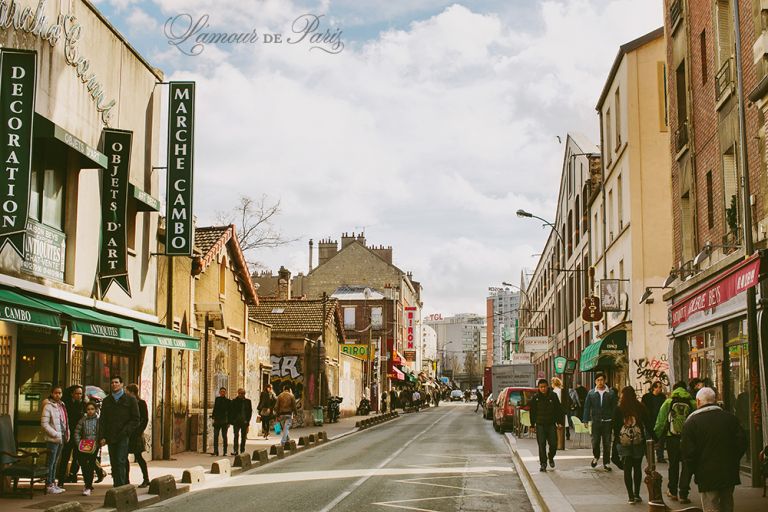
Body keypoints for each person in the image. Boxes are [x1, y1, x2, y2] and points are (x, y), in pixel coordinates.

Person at [682, 387, 746, 512]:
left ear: (699, 402)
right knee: (727, 504)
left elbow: (688, 453)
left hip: (706, 474)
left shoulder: (692, 422)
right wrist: (733, 459)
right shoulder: (730, 418)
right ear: (714, 400)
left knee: (711, 506)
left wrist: (687, 480)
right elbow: (742, 443)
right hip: (728, 471)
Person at [654, 380, 696, 504]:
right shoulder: (692, 402)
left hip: (671, 437)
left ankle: (672, 491)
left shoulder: (668, 402)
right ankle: (683, 493)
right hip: (687, 438)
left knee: (673, 465)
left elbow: (661, 421)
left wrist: (656, 436)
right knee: (686, 465)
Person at [98, 376, 139, 488]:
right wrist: (102, 436)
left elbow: (136, 419)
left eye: (116, 382)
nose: (114, 384)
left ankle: (121, 486)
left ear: (121, 384)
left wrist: (127, 431)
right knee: (114, 462)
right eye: (112, 383)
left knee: (121, 460)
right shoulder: (107, 401)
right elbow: (102, 420)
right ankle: (117, 485)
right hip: (111, 436)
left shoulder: (130, 399)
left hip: (123, 436)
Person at [613, 386, 651, 504]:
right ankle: (637, 494)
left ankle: (630, 496)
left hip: (624, 442)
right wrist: (654, 437)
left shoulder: (619, 408)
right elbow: (648, 424)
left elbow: (615, 426)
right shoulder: (640, 407)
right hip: (638, 441)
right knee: (637, 467)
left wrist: (616, 441)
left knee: (627, 468)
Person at [582, 372, 617, 471]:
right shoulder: (591, 393)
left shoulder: (610, 393)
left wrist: (614, 420)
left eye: (602, 380)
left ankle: (606, 463)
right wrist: (585, 419)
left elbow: (614, 407)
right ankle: (596, 456)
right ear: (595, 381)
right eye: (598, 380)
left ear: (605, 381)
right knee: (595, 441)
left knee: (607, 442)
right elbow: (587, 407)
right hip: (596, 421)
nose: (600, 382)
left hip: (607, 421)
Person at [529, 378, 563, 472]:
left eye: (544, 387)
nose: (543, 389)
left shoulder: (553, 396)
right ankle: (543, 464)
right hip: (540, 425)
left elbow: (558, 410)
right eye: (541, 387)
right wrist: (532, 425)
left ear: (548, 387)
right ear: (538, 388)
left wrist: (560, 422)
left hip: (551, 424)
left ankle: (551, 456)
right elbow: (532, 412)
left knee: (553, 444)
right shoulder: (535, 398)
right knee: (541, 444)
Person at [41, 386, 69, 494]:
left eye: (60, 393)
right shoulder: (48, 406)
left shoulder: (62, 405)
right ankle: (49, 484)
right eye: (56, 393)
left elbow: (64, 420)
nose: (58, 395)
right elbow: (44, 424)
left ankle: (53, 482)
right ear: (52, 393)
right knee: (50, 462)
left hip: (61, 437)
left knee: (55, 461)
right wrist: (55, 434)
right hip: (53, 438)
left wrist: (66, 433)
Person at [57, 385, 84, 488]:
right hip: (68, 434)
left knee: (77, 457)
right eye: (77, 393)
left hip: (79, 435)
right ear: (72, 394)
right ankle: (61, 479)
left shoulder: (83, 404)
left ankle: (73, 474)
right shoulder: (66, 404)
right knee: (65, 456)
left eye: (80, 393)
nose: (79, 395)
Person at [125, 384, 149, 487]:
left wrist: (139, 432)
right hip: (128, 433)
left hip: (137, 434)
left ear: (132, 392)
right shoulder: (127, 403)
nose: (126, 393)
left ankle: (146, 479)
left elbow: (145, 419)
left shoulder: (141, 403)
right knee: (124, 456)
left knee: (138, 457)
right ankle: (126, 480)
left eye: (127, 391)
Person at [74, 401, 100, 496]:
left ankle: (88, 486)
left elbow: (101, 432)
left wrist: (98, 442)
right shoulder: (83, 420)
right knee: (84, 465)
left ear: (95, 409)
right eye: (88, 409)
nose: (90, 411)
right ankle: (87, 484)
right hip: (84, 445)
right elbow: (77, 432)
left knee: (91, 466)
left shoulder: (98, 420)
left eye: (92, 409)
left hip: (94, 445)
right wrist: (79, 442)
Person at [641, 381, 667, 462]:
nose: (660, 389)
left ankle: (660, 456)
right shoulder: (646, 397)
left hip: (659, 421)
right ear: (654, 388)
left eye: (661, 387)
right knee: (648, 440)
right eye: (658, 387)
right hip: (649, 421)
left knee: (660, 440)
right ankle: (649, 457)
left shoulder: (662, 397)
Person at [229, 388, 253, 455]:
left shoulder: (248, 401)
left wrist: (248, 421)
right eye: (240, 393)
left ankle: (242, 450)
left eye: (242, 393)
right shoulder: (234, 401)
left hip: (244, 422)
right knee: (236, 435)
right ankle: (235, 450)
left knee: (243, 436)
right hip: (236, 422)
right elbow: (231, 411)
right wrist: (232, 420)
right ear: (238, 393)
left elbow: (250, 412)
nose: (241, 395)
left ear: (244, 394)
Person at [211, 387, 230, 456]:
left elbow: (229, 412)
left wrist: (229, 422)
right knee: (216, 436)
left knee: (224, 436)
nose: (222, 393)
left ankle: (225, 451)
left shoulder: (228, 401)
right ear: (219, 392)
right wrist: (213, 418)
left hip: (224, 421)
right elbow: (215, 409)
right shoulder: (217, 400)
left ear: (225, 393)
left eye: (224, 392)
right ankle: (216, 451)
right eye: (221, 391)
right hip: (217, 421)